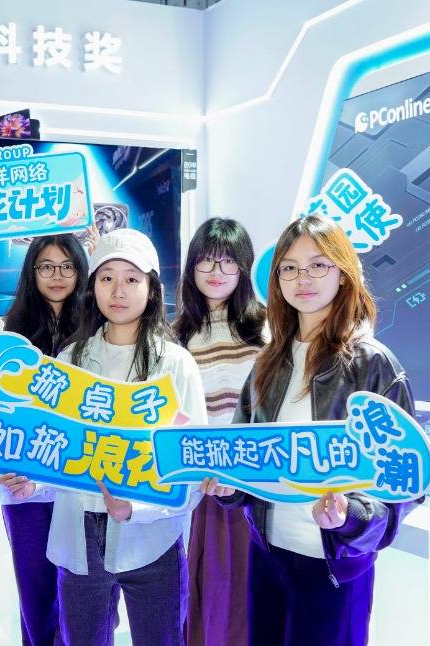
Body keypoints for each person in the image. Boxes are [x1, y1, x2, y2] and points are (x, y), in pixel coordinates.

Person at [201, 214, 418, 646]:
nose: (303, 278)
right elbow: (248, 454)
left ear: (344, 273)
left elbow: (404, 480)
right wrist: (229, 486)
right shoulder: (268, 362)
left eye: (318, 265)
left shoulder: (372, 364)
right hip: (268, 557)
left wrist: (350, 516)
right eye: (290, 267)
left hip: (334, 567)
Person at [0, 228, 207, 646]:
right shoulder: (69, 360)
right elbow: (55, 450)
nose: (118, 291)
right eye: (107, 278)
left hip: (153, 539)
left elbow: (192, 466)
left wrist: (138, 507)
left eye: (132, 279)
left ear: (152, 289)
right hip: (78, 536)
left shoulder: (175, 364)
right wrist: (32, 481)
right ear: (92, 286)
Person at [173, 218, 266, 646]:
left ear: (244, 268)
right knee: (207, 594)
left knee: (252, 593)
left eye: (228, 262)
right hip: (200, 486)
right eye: (206, 261)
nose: (216, 271)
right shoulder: (176, 335)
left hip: (256, 482)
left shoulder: (267, 329)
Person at [0, 234, 88, 646]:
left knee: (85, 601)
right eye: (46, 266)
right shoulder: (8, 333)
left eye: (67, 266)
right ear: (31, 272)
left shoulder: (97, 332)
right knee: (36, 600)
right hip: (23, 487)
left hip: (81, 486)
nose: (57, 275)